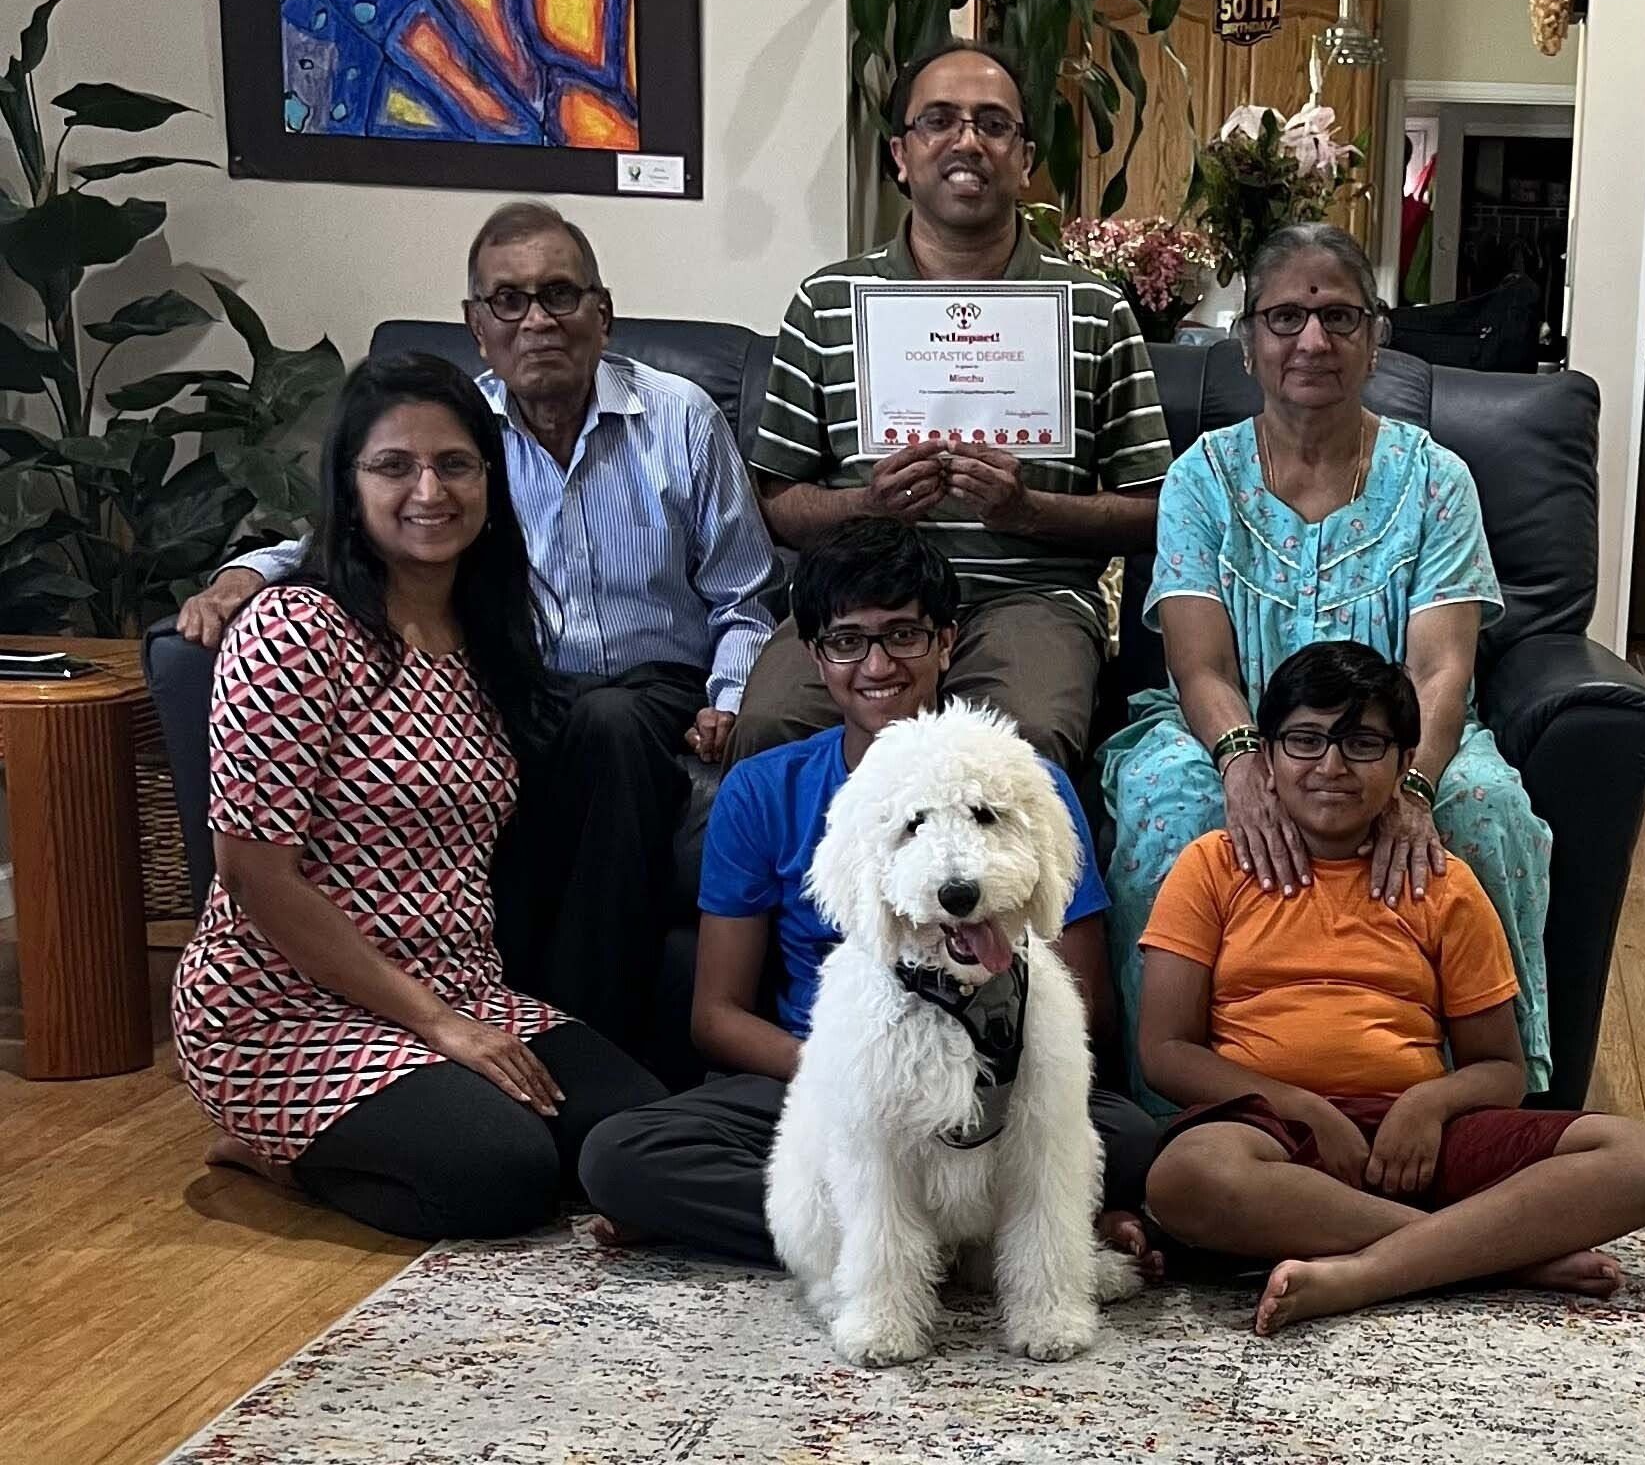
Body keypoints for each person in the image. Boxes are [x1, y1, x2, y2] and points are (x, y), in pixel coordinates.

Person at [177, 200, 777, 1051]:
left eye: (560, 294)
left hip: (653, 691)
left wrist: (727, 696)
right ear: (478, 326)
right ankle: (469, 1012)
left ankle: (585, 1031)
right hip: (515, 681)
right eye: (510, 300)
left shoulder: (681, 417)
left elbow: (745, 594)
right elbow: (366, 523)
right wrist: (246, 573)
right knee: (489, 748)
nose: (538, 320)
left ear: (602, 315)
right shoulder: (459, 437)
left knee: (602, 727)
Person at [578, 518, 1162, 1272]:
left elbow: (1082, 997)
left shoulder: (1023, 780)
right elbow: (715, 1017)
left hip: (1000, 1079)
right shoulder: (762, 788)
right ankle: (934, 1251)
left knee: (1129, 1137)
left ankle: (935, 1243)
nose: (877, 665)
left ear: (946, 642)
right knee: (621, 1157)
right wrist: (855, 1080)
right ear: (816, 657)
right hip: (829, 1079)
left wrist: (967, 1076)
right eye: (847, 641)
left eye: (903, 636)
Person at [170, 355, 665, 1239]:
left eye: (455, 464)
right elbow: (255, 879)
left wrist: (460, 1019)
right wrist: (439, 1027)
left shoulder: (486, 635)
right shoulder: (293, 629)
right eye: (394, 466)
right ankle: (270, 1145)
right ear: (349, 486)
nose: (428, 490)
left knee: (633, 1136)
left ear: (489, 480)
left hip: (463, 990)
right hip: (286, 1010)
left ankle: (411, 1120)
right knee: (501, 1177)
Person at [1100, 221, 1555, 1107]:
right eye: (1284, 318)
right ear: (1245, 341)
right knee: (1170, 804)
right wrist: (1241, 763)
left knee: (1487, 808)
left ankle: (1485, 1099)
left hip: (1398, 739)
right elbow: (1199, 665)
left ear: (1376, 335)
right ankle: (1168, 1104)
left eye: (1339, 316)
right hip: (1226, 727)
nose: (1312, 341)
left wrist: (1410, 787)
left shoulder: (1435, 479)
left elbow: (1439, 671)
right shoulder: (1200, 477)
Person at [1137, 641, 1645, 1334]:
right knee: (1186, 1178)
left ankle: (1366, 1271)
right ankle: (1487, 1254)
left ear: (1405, 765)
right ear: (1268, 760)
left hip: (1417, 1138)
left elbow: (1501, 1069)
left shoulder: (1441, 881)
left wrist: (1428, 1106)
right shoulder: (1213, 866)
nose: (1330, 767)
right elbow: (1164, 1050)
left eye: (1361, 744)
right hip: (1270, 1132)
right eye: (1304, 741)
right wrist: (1304, 1109)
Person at [733, 39, 1173, 774]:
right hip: (858, 601)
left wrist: (1025, 510)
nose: (966, 140)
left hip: (1024, 600)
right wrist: (869, 505)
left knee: (1022, 744)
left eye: (993, 124)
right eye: (937, 120)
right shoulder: (826, 302)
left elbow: (1152, 510)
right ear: (900, 156)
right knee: (774, 726)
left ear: (1025, 159)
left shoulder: (1093, 309)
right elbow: (777, 503)